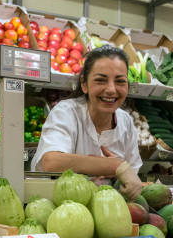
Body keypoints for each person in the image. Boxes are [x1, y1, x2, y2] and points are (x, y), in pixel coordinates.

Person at [31, 45, 143, 200]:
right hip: (57, 207)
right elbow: (52, 161)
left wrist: (121, 177)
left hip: (106, 210)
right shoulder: (66, 112)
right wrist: (116, 166)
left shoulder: (125, 122)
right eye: (101, 80)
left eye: (120, 81)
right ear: (84, 84)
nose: (111, 89)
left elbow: (132, 174)